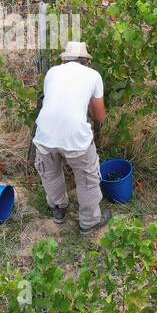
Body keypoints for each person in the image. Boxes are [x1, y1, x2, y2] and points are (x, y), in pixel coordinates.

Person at [33, 41, 112, 232]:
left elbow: (54, 103)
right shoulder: (93, 75)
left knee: (50, 173)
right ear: (87, 61)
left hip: (44, 133)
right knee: (87, 178)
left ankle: (58, 208)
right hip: (76, 137)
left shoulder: (52, 72)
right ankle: (89, 222)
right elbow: (100, 117)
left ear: (64, 60)